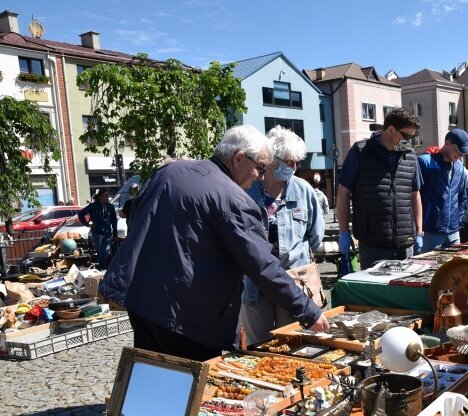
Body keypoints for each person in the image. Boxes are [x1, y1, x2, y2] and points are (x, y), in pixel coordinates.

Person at [99, 125, 330, 361]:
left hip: (142, 301)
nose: (260, 176)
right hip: (186, 317)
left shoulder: (170, 172)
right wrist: (309, 311)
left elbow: (138, 219)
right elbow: (262, 266)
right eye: (260, 168)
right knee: (192, 386)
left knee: (151, 376)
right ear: (239, 158)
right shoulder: (234, 199)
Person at [240, 125, 325, 344]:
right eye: (289, 162)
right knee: (258, 344)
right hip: (255, 283)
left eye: (297, 162)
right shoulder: (247, 189)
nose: (294, 167)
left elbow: (315, 237)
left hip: (294, 281)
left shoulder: (303, 190)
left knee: (294, 343)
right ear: (271, 159)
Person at [337, 108, 423, 270]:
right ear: (390, 130)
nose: (410, 141)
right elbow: (343, 193)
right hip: (373, 245)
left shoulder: (410, 155)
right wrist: (343, 232)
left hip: (405, 244)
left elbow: (415, 194)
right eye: (407, 136)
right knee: (375, 294)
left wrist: (419, 231)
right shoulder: (360, 152)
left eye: (413, 137)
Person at [416, 129, 468, 253]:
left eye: (463, 152)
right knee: (428, 270)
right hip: (430, 231)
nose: (461, 155)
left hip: (453, 231)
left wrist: (458, 221)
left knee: (454, 270)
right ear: (447, 143)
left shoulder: (459, 168)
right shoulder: (425, 162)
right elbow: (414, 194)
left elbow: (462, 196)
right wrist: (419, 228)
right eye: (458, 150)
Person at [77, 188, 117, 269]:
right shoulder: (93, 206)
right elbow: (81, 214)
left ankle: (101, 266)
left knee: (106, 251)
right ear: (100, 196)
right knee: (100, 252)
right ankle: (102, 267)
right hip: (97, 233)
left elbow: (114, 221)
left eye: (108, 196)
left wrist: (115, 233)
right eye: (105, 195)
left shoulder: (110, 207)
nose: (107, 197)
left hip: (107, 233)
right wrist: (87, 224)